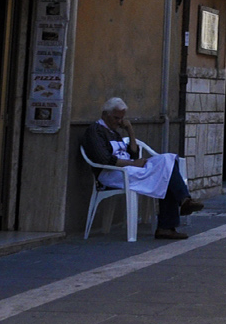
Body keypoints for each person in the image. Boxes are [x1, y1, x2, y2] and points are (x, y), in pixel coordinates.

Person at [81, 97, 201, 240]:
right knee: (165, 175)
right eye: (116, 118)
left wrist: (130, 130)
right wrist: (133, 164)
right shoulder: (95, 131)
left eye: (121, 118)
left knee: (167, 161)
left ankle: (182, 204)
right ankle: (170, 221)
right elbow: (104, 159)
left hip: (130, 169)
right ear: (105, 115)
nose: (119, 121)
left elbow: (133, 153)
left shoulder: (115, 132)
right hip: (112, 173)